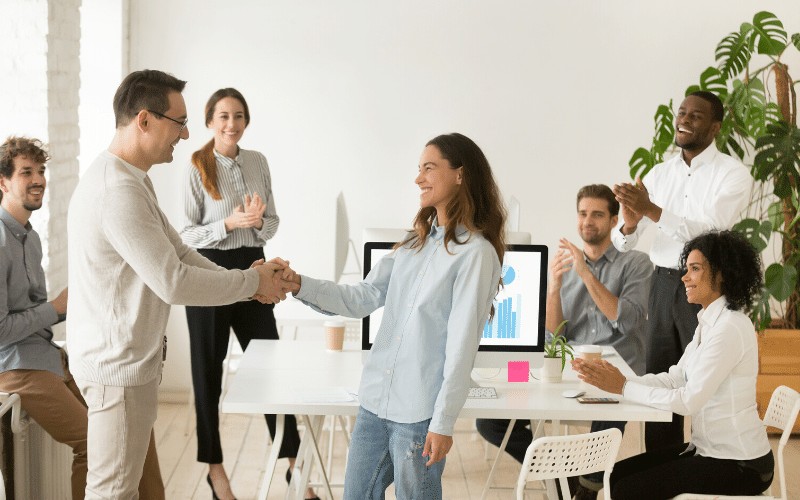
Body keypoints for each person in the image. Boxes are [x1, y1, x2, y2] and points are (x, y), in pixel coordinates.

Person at [66, 70, 292, 499]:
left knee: (135, 490)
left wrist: (252, 281)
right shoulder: (117, 191)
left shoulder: (133, 180)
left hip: (129, 365)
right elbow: (173, 281)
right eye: (180, 122)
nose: (187, 134)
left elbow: (181, 252)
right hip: (118, 368)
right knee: (112, 492)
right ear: (145, 120)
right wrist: (251, 282)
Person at [280, 133, 504, 499]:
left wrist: (443, 423)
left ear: (460, 175)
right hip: (374, 404)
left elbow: (462, 347)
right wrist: (298, 284)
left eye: (429, 168)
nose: (419, 179)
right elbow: (361, 297)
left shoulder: (475, 255)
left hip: (418, 417)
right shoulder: (413, 244)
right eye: (419, 170)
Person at [0, 136, 164, 499]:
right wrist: (56, 308)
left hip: (50, 356)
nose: (38, 179)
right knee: (94, 445)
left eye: (41, 171)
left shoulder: (30, 237)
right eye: (26, 172)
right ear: (3, 182)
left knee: (139, 429)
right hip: (17, 367)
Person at [180, 88, 317, 500]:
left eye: (238, 116)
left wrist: (255, 224)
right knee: (208, 371)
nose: (231, 124)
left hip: (254, 266)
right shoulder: (195, 165)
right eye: (223, 116)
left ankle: (294, 467)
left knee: (269, 366)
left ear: (246, 120)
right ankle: (214, 469)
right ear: (209, 121)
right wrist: (228, 223)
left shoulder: (258, 161)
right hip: (206, 270)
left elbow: (272, 223)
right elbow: (186, 233)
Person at [476, 183, 652, 500]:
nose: (588, 221)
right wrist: (554, 287)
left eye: (597, 214)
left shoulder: (636, 263)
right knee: (489, 421)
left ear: (614, 221)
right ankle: (560, 476)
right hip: (569, 370)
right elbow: (553, 338)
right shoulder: (564, 265)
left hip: (616, 371)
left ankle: (587, 489)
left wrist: (586, 274)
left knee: (609, 411)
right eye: (583, 213)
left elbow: (626, 320)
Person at [573, 230, 774, 499]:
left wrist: (623, 387)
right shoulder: (708, 322)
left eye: (695, 269)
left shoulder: (729, 328)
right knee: (614, 477)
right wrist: (620, 381)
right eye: (686, 268)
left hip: (741, 464)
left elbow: (688, 400)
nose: (684, 278)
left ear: (722, 273)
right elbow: (675, 378)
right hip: (706, 451)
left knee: (626, 491)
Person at [611, 90, 753, 451]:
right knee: (661, 372)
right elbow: (625, 241)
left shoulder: (733, 174)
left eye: (696, 115)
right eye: (682, 112)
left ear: (715, 126)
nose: (684, 120)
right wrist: (629, 223)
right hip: (661, 285)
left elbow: (711, 233)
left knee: (706, 379)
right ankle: (661, 465)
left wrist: (653, 210)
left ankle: (711, 459)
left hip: (706, 285)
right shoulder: (659, 174)